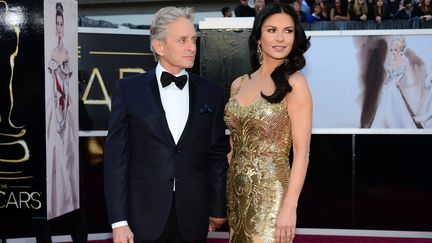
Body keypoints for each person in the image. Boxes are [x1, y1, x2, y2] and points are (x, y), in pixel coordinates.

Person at [104, 6, 230, 243]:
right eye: (182, 40)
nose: (192, 47)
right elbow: (116, 161)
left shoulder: (211, 92)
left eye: (193, 39)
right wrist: (119, 221)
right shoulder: (129, 90)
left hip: (193, 214)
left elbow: (215, 155)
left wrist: (217, 208)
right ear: (159, 46)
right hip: (142, 215)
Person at [224, 3, 312, 242]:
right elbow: (234, 145)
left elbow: (302, 153)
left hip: (273, 195)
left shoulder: (295, 84)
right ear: (258, 36)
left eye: (289, 31)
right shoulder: (239, 84)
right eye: (272, 30)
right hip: (236, 192)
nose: (281, 38)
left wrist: (289, 207)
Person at [46, 1, 79, 219]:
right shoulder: (52, 51)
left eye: (61, 24)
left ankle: (68, 200)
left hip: (65, 107)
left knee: (68, 155)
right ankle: (54, 202)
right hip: (52, 105)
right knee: (54, 154)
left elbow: (68, 82)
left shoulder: (66, 51)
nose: (59, 28)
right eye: (57, 24)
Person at [371, 37, 417, 128]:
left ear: (400, 50)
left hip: (395, 90)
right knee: (383, 110)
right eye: (392, 50)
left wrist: (404, 85)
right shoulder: (390, 61)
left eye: (395, 50)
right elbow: (389, 77)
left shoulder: (404, 62)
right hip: (387, 88)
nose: (393, 52)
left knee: (397, 111)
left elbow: (412, 77)